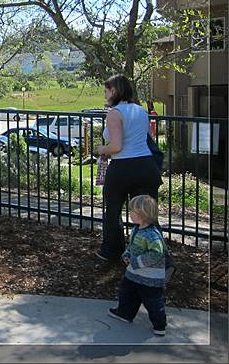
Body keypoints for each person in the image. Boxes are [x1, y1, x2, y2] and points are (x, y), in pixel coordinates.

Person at [95, 75, 164, 261]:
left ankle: (112, 250)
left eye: (106, 90)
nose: (105, 93)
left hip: (123, 168)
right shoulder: (141, 111)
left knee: (113, 211)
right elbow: (145, 138)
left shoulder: (114, 113)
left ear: (114, 91)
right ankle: (151, 252)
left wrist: (101, 149)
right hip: (146, 167)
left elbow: (116, 146)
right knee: (146, 213)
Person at [108, 195, 167, 336]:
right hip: (133, 274)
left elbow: (156, 253)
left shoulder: (152, 235)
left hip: (150, 277)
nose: (130, 214)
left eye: (132, 211)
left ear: (142, 214)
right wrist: (127, 254)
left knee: (153, 302)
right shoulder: (136, 229)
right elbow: (133, 246)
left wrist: (136, 262)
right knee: (127, 294)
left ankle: (159, 324)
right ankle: (124, 313)